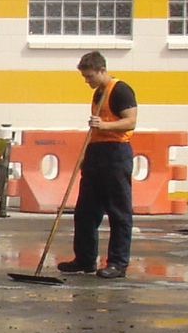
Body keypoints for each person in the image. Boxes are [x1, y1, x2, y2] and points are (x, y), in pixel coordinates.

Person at [59, 50, 139, 279]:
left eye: (90, 77)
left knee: (119, 212)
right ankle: (85, 259)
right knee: (85, 211)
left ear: (102, 70)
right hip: (96, 153)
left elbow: (131, 121)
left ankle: (118, 263)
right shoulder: (98, 93)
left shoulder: (121, 90)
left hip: (116, 155)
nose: (88, 82)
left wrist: (104, 125)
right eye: (85, 78)